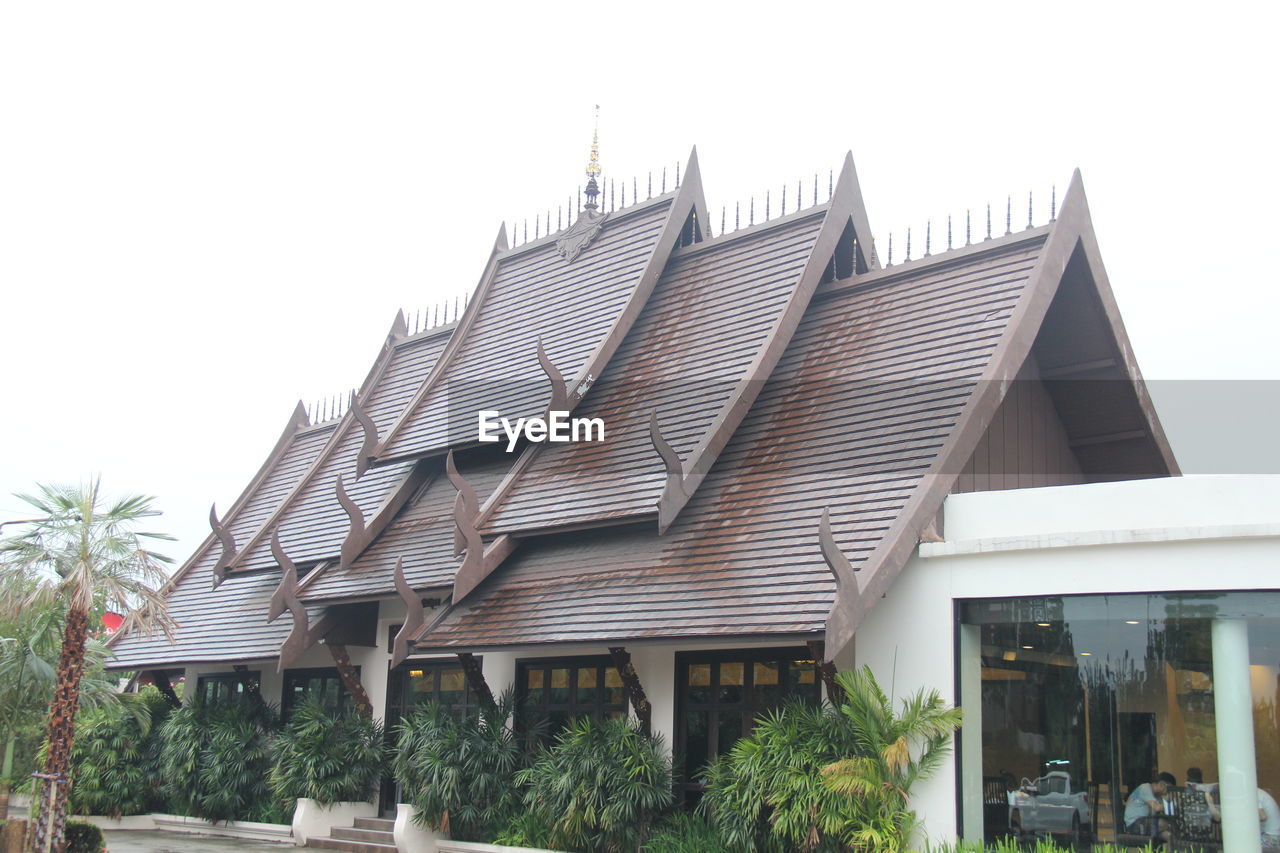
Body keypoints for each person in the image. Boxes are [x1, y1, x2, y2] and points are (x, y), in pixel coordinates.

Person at [1125, 772, 1177, 838]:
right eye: (1169, 788)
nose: (1169, 791)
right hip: (1135, 824)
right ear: (1162, 784)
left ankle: (1172, 848)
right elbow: (1157, 808)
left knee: (1169, 835)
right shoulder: (1145, 788)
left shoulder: (1157, 795)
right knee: (1166, 824)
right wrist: (1173, 806)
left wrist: (1169, 799)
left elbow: (1163, 811)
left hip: (1146, 823)